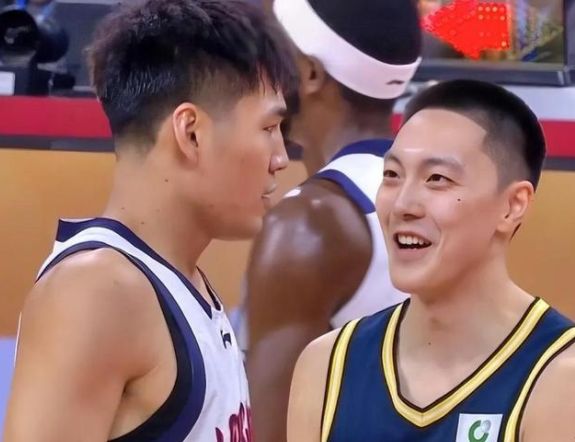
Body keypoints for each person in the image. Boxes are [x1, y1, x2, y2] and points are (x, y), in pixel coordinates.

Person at [3, 0, 295, 440]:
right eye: (269, 129)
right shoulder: (96, 292)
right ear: (191, 133)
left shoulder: (182, 281)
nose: (281, 158)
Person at [287, 79, 575, 442]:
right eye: (392, 175)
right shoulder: (328, 365)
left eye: (437, 178)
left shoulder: (560, 377)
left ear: (512, 205)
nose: (402, 205)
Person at [234, 0, 422, 440]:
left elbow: (271, 432)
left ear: (311, 73)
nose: (258, 61)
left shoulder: (308, 225)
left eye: (274, 46)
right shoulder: (431, 195)